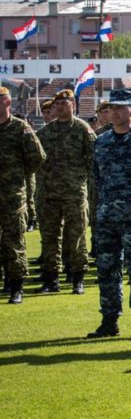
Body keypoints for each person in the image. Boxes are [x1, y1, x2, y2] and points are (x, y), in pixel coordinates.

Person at [86, 90, 131, 340]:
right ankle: (109, 320)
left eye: (120, 108)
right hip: (107, 217)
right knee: (106, 269)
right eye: (112, 108)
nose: (115, 112)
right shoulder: (101, 141)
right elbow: (96, 177)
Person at [36, 88, 95, 295]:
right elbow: (35, 159)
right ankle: (51, 278)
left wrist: (81, 181)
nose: (60, 107)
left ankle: (77, 277)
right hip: (49, 194)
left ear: (73, 105)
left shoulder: (83, 129)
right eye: (57, 104)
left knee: (76, 236)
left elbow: (93, 160)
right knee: (50, 237)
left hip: (74, 193)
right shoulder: (45, 132)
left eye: (64, 103)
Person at [0, 86, 46, 305]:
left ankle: (16, 285)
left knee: (14, 241)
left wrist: (18, 174)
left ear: (7, 102)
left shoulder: (20, 128)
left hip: (12, 196)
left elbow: (38, 157)